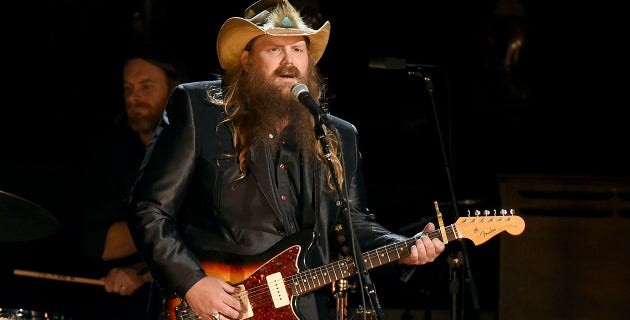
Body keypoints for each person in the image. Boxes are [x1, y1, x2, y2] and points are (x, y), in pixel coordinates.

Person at [126, 1, 446, 320]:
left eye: (297, 50)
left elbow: (351, 222)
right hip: (212, 305)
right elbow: (149, 209)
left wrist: (403, 247)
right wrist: (192, 283)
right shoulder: (199, 107)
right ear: (247, 60)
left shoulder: (336, 135)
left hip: (299, 307)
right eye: (275, 50)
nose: (289, 62)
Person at [82, 44, 189, 320]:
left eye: (145, 86)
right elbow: (101, 244)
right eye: (128, 88)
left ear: (174, 90)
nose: (134, 97)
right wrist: (170, 223)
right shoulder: (114, 154)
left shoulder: (196, 149)